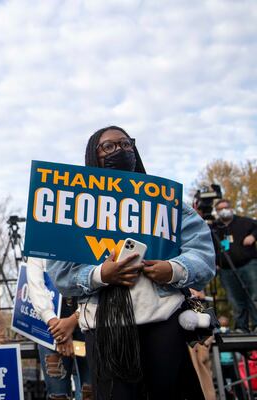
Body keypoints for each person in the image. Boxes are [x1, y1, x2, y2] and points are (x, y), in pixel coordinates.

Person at [28, 126, 215, 399]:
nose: (121, 150)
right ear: (94, 155)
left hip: (163, 324)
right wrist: (101, 274)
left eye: (126, 144)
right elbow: (61, 275)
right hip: (106, 332)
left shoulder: (165, 201)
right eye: (109, 146)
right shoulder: (74, 208)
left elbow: (203, 254)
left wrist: (173, 269)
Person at [212, 198, 257, 332]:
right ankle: (241, 327)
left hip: (248, 265)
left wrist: (253, 237)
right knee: (235, 300)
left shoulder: (245, 222)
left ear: (231, 208)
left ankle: (256, 325)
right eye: (220, 209)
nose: (224, 210)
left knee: (254, 296)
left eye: (226, 207)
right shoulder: (214, 227)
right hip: (226, 270)